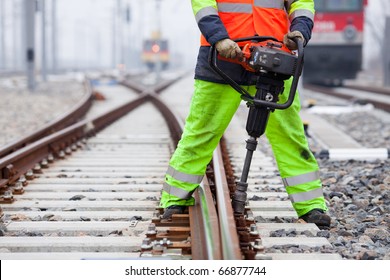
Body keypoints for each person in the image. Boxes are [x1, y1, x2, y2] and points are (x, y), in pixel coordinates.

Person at [160, 0, 331, 228]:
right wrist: (219, 38)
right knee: (202, 130)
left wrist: (300, 30)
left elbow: (301, 3)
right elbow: (203, 4)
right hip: (223, 57)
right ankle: (174, 200)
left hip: (275, 57)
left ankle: (311, 206)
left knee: (289, 135)